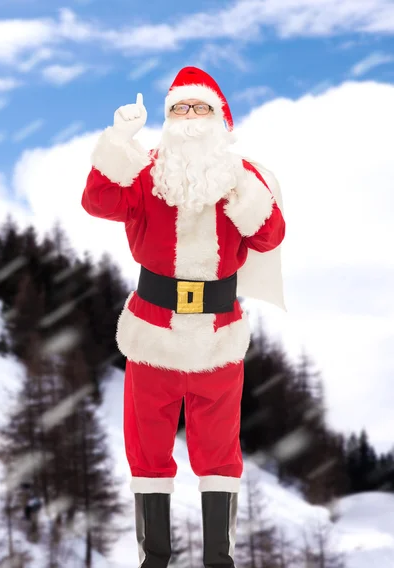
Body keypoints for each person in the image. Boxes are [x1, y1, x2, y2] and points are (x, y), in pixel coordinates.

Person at [81, 66, 286, 567]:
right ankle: (155, 558)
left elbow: (269, 237)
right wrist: (117, 142)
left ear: (221, 120)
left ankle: (220, 559)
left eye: (200, 109)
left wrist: (242, 193)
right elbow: (97, 201)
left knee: (219, 453)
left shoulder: (243, 178)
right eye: (179, 109)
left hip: (218, 333)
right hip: (152, 330)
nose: (190, 119)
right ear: (167, 119)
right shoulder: (147, 171)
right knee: (147, 450)